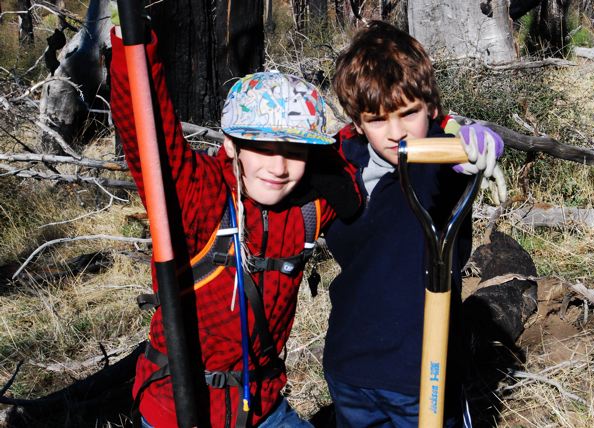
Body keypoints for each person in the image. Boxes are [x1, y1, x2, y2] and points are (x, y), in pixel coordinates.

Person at [109, 20, 362, 428]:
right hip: (178, 411)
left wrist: (447, 132)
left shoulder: (310, 207)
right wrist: (132, 45)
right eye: (261, 146)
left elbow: (369, 141)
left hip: (262, 409)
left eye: (295, 151)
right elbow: (147, 133)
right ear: (230, 144)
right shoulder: (201, 196)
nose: (278, 168)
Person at [323, 20, 506, 427]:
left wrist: (474, 138)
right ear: (357, 122)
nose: (395, 134)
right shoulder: (339, 165)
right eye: (376, 119)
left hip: (425, 370)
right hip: (351, 370)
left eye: (408, 114)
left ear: (432, 107)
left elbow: (464, 147)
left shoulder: (442, 160)